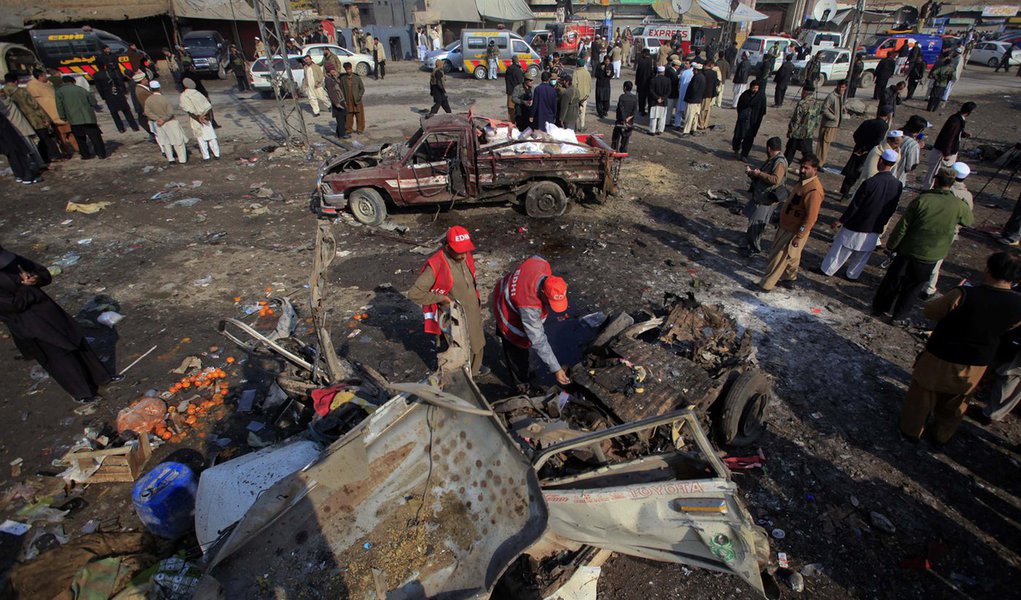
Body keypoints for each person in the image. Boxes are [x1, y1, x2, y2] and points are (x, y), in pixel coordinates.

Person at [899, 252, 1021, 444]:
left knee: (922, 395)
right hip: (977, 362)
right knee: (957, 401)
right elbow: (1011, 328)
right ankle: (942, 435)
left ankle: (911, 430)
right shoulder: (1018, 304)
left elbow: (931, 311)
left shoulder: (964, 294)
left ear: (988, 268)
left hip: (941, 354)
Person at [0, 246, 117, 403]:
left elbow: (43, 274)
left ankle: (101, 377)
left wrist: (36, 278)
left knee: (75, 340)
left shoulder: (12, 260)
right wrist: (24, 288)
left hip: (49, 311)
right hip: (28, 323)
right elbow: (12, 306)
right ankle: (83, 393)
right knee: (58, 355)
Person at [873, 168, 974, 322]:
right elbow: (968, 221)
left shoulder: (923, 200)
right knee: (913, 288)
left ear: (936, 180)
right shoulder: (958, 205)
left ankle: (879, 308)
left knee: (893, 282)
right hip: (931, 255)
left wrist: (892, 245)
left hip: (909, 250)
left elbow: (903, 226)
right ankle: (898, 316)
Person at [407, 226, 485, 376]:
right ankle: (461, 380)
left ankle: (474, 371)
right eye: (459, 251)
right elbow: (415, 293)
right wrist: (441, 298)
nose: (463, 255)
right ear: (448, 247)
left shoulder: (465, 255)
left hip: (472, 310)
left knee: (477, 344)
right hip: (455, 317)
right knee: (460, 350)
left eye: (465, 250)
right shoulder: (436, 264)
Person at [822, 149, 903, 279]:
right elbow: (892, 207)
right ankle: (852, 275)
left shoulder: (870, 183)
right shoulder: (897, 185)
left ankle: (827, 270)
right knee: (863, 254)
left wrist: (842, 220)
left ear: (881, 161)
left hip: (857, 223)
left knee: (840, 250)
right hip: (875, 226)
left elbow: (855, 205)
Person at [492, 256, 571, 388]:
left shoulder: (541, 264)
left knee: (525, 346)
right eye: (550, 303)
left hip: (505, 288)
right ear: (542, 292)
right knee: (517, 352)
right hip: (507, 313)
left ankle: (523, 374)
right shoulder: (529, 305)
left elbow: (535, 258)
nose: (551, 307)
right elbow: (538, 340)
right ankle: (521, 384)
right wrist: (556, 369)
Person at [759, 154, 825, 291]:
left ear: (815, 169)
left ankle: (766, 285)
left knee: (779, 256)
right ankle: (790, 279)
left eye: (806, 168)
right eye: (801, 167)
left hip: (793, 230)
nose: (802, 170)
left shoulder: (814, 190)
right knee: (793, 256)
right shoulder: (802, 183)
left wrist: (799, 236)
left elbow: (811, 218)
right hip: (786, 225)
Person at [923, 161, 974, 297]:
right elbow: (967, 220)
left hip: (929, 227)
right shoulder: (966, 195)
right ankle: (929, 287)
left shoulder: (943, 190)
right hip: (949, 233)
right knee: (936, 260)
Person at [742, 136, 788, 256]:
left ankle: (754, 249)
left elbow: (775, 179)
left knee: (756, 225)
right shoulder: (774, 159)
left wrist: (759, 174)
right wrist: (753, 174)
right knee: (753, 222)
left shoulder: (779, 162)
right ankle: (750, 246)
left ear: (769, 148)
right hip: (761, 196)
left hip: (766, 200)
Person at [3, 73, 58, 165]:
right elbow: (34, 105)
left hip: (15, 124)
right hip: (33, 119)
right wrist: (45, 118)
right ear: (16, 81)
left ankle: (39, 160)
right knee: (44, 139)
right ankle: (53, 156)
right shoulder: (21, 91)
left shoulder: (3, 93)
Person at [840, 105, 893, 198]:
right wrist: (867, 149)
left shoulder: (868, 122)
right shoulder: (883, 126)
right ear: (888, 115)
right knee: (861, 172)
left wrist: (860, 146)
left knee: (852, 170)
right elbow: (877, 141)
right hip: (868, 152)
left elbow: (856, 135)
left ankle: (845, 191)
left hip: (858, 149)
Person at [923, 102, 974, 189]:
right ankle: (927, 189)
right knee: (934, 172)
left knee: (940, 173)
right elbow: (949, 137)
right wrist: (946, 153)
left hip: (947, 150)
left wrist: (963, 134)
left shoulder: (957, 119)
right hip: (942, 152)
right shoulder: (956, 121)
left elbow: (954, 134)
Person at [55, 76, 105, 160]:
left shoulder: (59, 92)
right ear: (73, 81)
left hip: (74, 119)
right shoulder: (81, 89)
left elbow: (59, 105)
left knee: (80, 138)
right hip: (88, 118)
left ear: (63, 82)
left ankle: (85, 155)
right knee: (95, 137)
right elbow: (93, 102)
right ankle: (101, 154)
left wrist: (62, 116)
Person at [26, 69, 73, 159]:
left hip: (58, 112)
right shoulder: (32, 86)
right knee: (60, 135)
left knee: (68, 132)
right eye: (44, 75)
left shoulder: (48, 83)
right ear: (40, 76)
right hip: (49, 114)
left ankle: (73, 149)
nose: (46, 77)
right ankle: (65, 150)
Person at [846, 129, 903, 200]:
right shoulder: (877, 151)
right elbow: (870, 172)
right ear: (888, 141)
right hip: (872, 185)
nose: (897, 146)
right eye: (896, 143)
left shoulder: (896, 151)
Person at [144, 81, 187, 164]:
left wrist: (157, 119)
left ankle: (171, 159)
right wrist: (164, 119)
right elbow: (170, 112)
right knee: (178, 141)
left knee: (165, 141)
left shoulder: (148, 100)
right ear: (159, 88)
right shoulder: (164, 99)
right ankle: (182, 159)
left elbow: (147, 112)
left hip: (159, 124)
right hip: (169, 122)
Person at [179, 78, 220, 160]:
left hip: (195, 119)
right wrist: (206, 117)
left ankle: (206, 156)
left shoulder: (184, 96)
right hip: (206, 117)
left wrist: (198, 118)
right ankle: (217, 154)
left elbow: (189, 110)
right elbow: (208, 106)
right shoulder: (198, 93)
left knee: (200, 138)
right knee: (211, 137)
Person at [732, 79, 767, 161]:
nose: (754, 90)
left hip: (753, 121)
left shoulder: (761, 96)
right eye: (753, 88)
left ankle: (744, 154)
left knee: (749, 138)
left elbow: (762, 110)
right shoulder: (745, 94)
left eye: (756, 88)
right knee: (738, 135)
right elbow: (739, 106)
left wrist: (756, 118)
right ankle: (736, 149)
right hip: (742, 119)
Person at [785, 85, 820, 162]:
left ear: (805, 92)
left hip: (798, 132)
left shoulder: (802, 103)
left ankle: (782, 168)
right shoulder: (816, 103)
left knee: (789, 152)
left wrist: (791, 131)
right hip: (808, 133)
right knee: (807, 153)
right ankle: (812, 166)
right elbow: (817, 119)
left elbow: (796, 119)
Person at [817, 80, 846, 167]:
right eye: (840, 87)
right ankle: (819, 163)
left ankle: (821, 161)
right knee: (823, 144)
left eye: (843, 87)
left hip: (834, 125)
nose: (841, 89)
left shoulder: (840, 96)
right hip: (828, 124)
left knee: (827, 144)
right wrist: (833, 117)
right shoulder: (832, 96)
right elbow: (824, 109)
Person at [892, 115, 926, 186]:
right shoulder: (912, 144)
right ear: (920, 130)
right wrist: (917, 148)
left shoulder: (894, 134)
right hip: (896, 177)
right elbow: (911, 166)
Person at [339, 62, 365, 134]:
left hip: (357, 101)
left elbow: (362, 89)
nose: (348, 71)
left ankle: (360, 129)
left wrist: (359, 96)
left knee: (359, 116)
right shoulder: (343, 79)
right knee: (348, 116)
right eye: (347, 69)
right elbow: (341, 90)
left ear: (351, 68)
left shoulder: (357, 78)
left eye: (349, 69)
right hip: (348, 101)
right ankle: (349, 129)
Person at [612, 81, 637, 153]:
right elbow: (635, 110)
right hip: (630, 121)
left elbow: (621, 109)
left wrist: (624, 119)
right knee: (626, 138)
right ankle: (623, 152)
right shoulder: (634, 98)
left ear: (625, 88)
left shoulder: (622, 97)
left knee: (616, 137)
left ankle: (614, 150)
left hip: (621, 120)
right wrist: (629, 118)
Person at [323, 64, 348, 138]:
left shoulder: (333, 78)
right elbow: (331, 93)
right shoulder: (328, 80)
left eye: (334, 70)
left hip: (341, 99)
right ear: (328, 71)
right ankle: (342, 135)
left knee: (343, 118)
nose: (334, 71)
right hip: (337, 102)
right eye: (332, 70)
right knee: (340, 119)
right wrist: (337, 104)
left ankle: (338, 133)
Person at [682, 63, 706, 136]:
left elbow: (693, 89)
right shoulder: (703, 77)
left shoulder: (696, 77)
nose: (692, 71)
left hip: (692, 100)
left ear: (696, 70)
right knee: (695, 116)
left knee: (689, 116)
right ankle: (693, 129)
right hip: (698, 100)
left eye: (693, 70)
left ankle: (686, 131)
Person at [647, 66, 671, 135]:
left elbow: (651, 90)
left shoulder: (653, 80)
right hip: (663, 101)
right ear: (664, 72)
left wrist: (657, 98)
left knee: (653, 116)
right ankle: (660, 129)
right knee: (662, 117)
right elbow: (669, 91)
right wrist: (663, 98)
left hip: (655, 101)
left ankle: (652, 130)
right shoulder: (667, 80)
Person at [671, 59, 693, 130]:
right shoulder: (684, 72)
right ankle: (679, 125)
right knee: (682, 110)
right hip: (683, 94)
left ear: (690, 65)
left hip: (685, 94)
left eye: (687, 63)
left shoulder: (688, 73)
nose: (685, 65)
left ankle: (681, 125)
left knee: (683, 111)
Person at [698, 60, 719, 131]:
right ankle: (705, 124)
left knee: (702, 110)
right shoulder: (714, 73)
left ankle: (701, 124)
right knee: (708, 110)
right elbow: (715, 84)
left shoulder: (703, 73)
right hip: (710, 94)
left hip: (703, 94)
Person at [573, 58, 592, 131]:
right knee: (583, 112)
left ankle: (575, 126)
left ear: (577, 64)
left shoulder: (576, 73)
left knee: (575, 112)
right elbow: (590, 84)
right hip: (585, 96)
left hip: (577, 96)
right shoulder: (587, 73)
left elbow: (574, 85)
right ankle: (582, 126)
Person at [634, 48, 654, 116]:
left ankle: (641, 110)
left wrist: (636, 81)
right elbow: (654, 71)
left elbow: (638, 72)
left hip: (641, 83)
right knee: (650, 98)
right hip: (650, 83)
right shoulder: (652, 60)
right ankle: (650, 110)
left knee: (641, 98)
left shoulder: (640, 60)